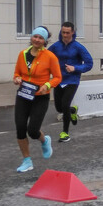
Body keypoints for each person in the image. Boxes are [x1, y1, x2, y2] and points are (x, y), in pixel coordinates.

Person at [12, 26, 63, 172]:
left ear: (45, 41)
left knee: (33, 130)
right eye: (35, 36)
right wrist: (16, 79)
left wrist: (47, 85)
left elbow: (58, 77)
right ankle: (27, 161)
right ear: (31, 37)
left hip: (40, 97)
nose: (37, 40)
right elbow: (16, 74)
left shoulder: (50, 57)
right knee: (20, 128)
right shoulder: (23, 54)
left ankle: (44, 140)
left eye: (41, 38)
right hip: (23, 95)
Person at [48, 21, 93, 143]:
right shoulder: (56, 46)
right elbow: (45, 57)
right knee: (59, 108)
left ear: (73, 32)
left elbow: (89, 64)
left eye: (68, 33)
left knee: (64, 104)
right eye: (63, 32)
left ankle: (65, 133)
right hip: (59, 79)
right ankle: (72, 111)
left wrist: (76, 68)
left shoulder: (78, 47)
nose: (65, 35)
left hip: (72, 80)